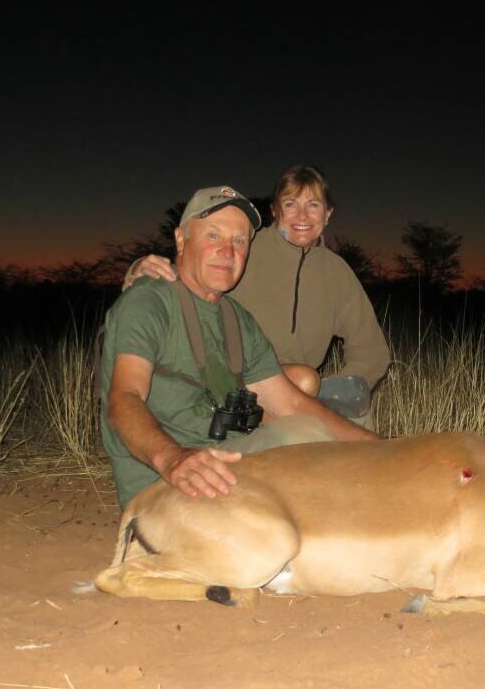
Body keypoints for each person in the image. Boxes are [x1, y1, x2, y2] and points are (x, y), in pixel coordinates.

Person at [101, 185, 378, 508]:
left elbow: (292, 405)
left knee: (306, 432)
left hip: (231, 460)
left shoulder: (237, 318)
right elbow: (124, 399)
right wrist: (173, 459)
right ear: (180, 239)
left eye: (239, 240)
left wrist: (380, 449)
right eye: (213, 236)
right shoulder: (149, 300)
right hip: (170, 483)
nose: (228, 251)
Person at [124, 165, 390, 425]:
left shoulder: (338, 273)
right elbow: (193, 274)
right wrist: (140, 269)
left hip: (298, 388)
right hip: (235, 380)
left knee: (354, 411)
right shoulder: (245, 246)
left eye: (313, 205)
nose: (302, 216)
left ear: (328, 213)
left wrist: (337, 394)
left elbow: (372, 351)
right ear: (275, 211)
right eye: (290, 204)